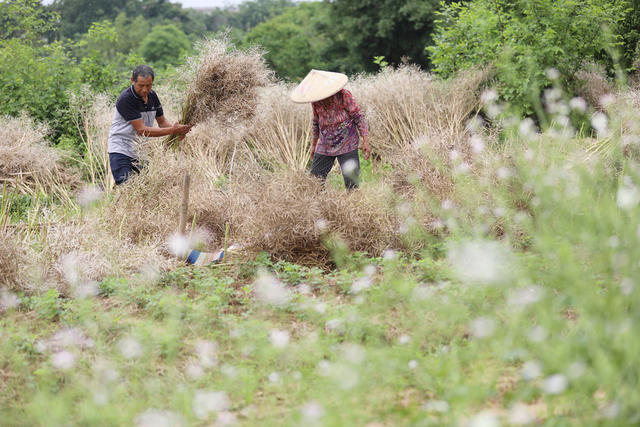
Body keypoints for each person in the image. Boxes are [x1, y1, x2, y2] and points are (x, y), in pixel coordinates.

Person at [107, 65, 191, 185]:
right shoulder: (126, 99)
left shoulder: (152, 96)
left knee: (144, 190)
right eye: (141, 85)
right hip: (121, 149)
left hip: (140, 151)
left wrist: (178, 130)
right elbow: (141, 130)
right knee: (127, 188)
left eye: (149, 85)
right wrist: (172, 130)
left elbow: (162, 122)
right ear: (132, 81)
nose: (145, 89)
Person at [291, 69, 371, 190]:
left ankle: (352, 206)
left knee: (351, 183)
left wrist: (365, 140)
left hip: (347, 141)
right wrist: (313, 145)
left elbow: (358, 116)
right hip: (325, 143)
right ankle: (319, 206)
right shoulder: (316, 100)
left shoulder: (344, 95)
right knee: (315, 180)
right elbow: (316, 122)